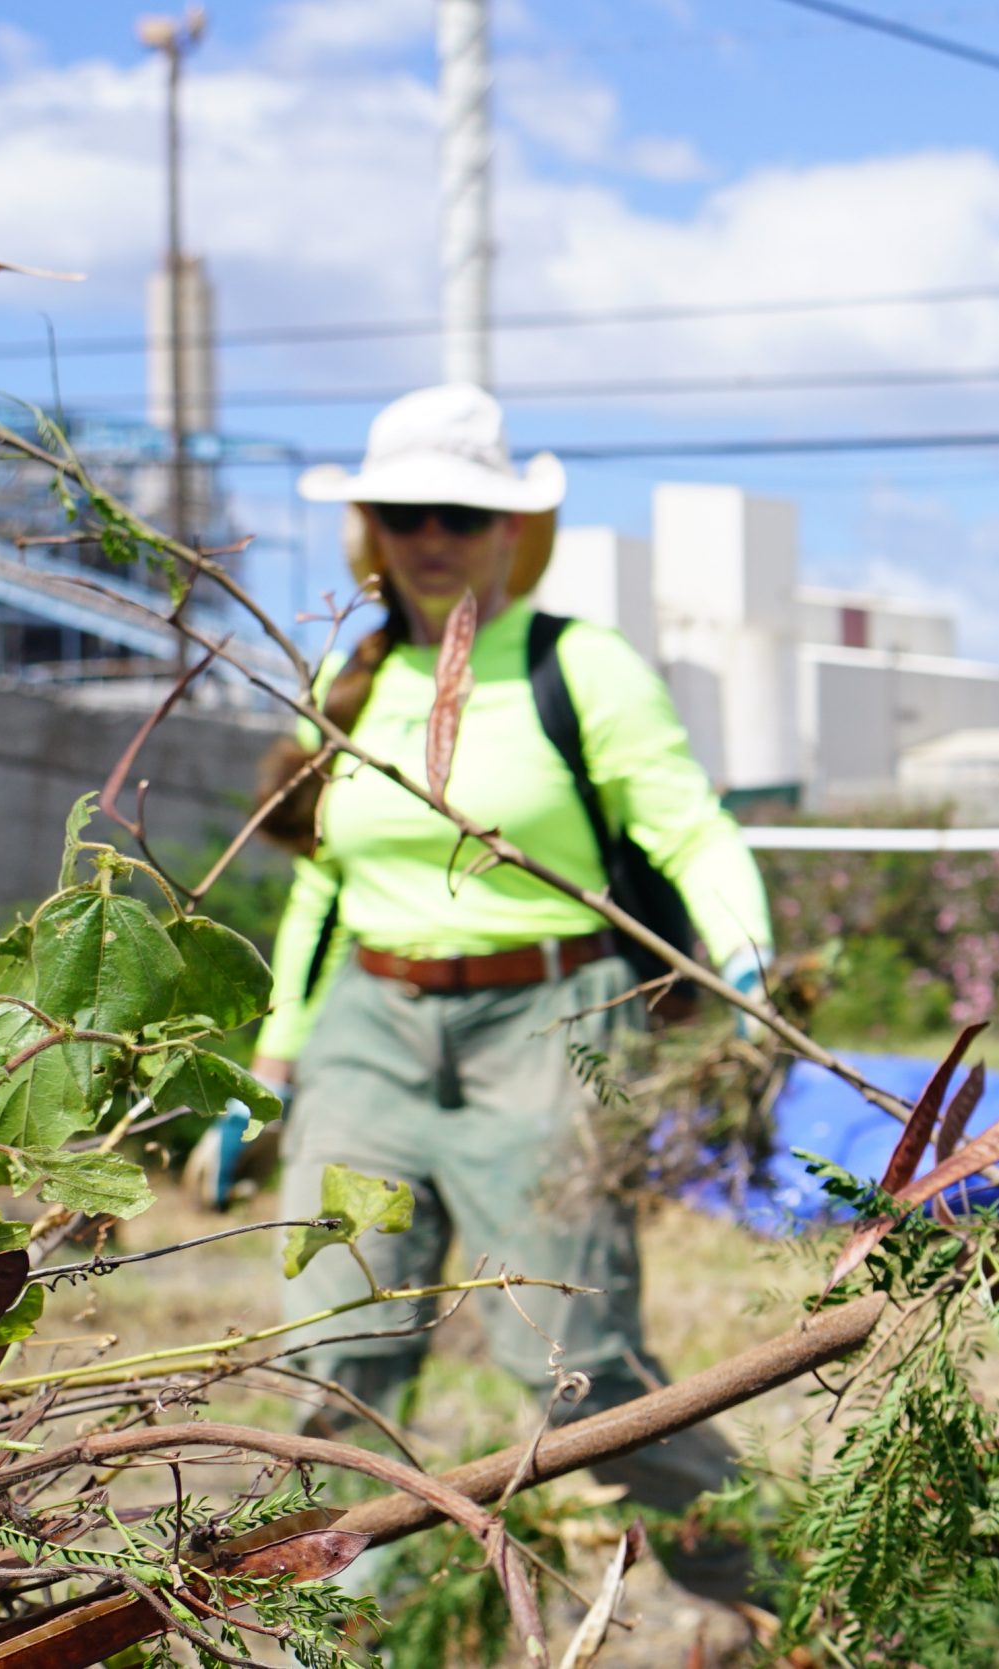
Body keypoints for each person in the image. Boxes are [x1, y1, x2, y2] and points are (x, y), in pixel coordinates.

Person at [243, 384, 773, 1600]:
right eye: (404, 513)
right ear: (370, 531)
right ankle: (351, 1623)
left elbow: (691, 831)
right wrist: (270, 1062)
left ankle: (770, 1580)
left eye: (459, 514)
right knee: (339, 1352)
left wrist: (748, 964)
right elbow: (325, 885)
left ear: (506, 533)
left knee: (579, 1363)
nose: (431, 536)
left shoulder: (580, 666)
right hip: (368, 1040)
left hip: (547, 1028)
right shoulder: (352, 676)